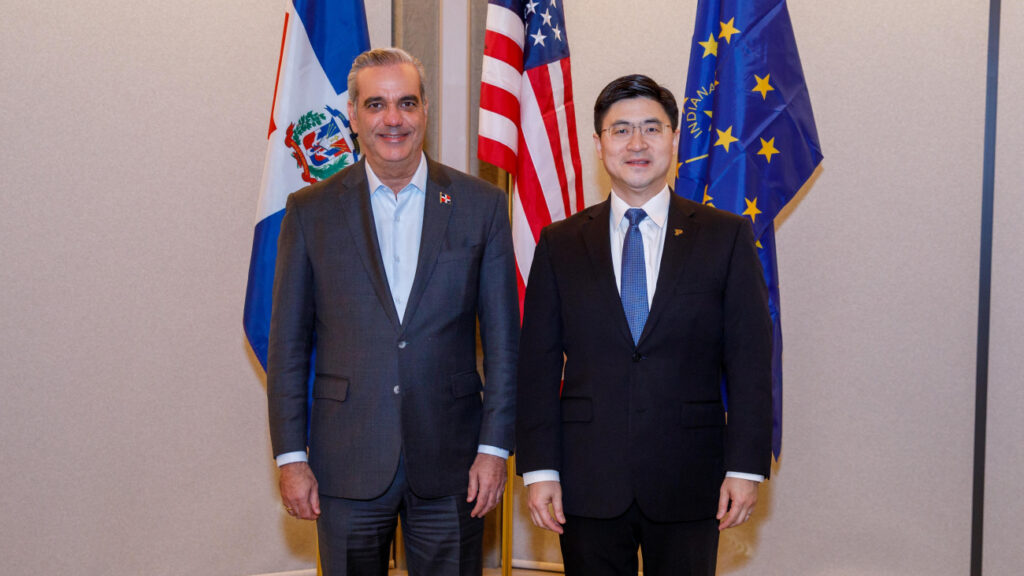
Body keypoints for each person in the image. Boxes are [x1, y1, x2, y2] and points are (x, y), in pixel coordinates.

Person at [266, 47, 518, 576]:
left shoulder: (481, 205)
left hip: (454, 465)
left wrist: (494, 449)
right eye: (375, 105)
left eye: (406, 102)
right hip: (345, 463)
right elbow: (287, 346)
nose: (393, 119)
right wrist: (291, 458)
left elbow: (503, 345)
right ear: (353, 116)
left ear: (425, 109)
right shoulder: (310, 212)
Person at [515, 74, 773, 576]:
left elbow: (750, 363)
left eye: (652, 129)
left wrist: (745, 467)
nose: (637, 144)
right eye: (621, 130)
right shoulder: (559, 243)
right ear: (599, 144)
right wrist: (540, 469)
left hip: (690, 476)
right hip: (586, 478)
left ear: (674, 139)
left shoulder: (725, 237)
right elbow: (537, 367)